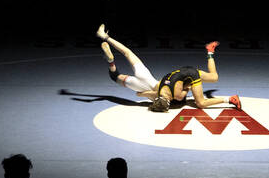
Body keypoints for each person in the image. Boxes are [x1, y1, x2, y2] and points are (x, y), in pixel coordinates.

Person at [96, 24, 240, 113]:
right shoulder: (155, 93)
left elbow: (186, 89)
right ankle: (106, 39)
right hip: (150, 78)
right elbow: (139, 95)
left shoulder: (177, 96)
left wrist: (187, 88)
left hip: (189, 74)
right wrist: (148, 94)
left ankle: (229, 99)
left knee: (200, 103)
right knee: (126, 55)